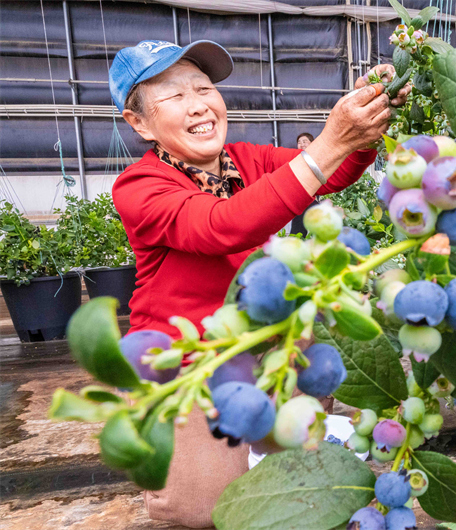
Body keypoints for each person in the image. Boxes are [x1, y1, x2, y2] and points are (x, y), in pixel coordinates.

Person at [108, 39, 410, 528]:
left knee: (297, 463)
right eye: (174, 96)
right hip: (190, 359)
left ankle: (282, 420)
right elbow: (225, 225)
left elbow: (330, 174)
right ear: (139, 123)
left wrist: (365, 128)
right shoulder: (139, 187)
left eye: (203, 88)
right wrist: (332, 141)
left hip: (259, 338)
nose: (198, 105)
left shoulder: (245, 160)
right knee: (205, 509)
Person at [290, 132, 317, 235]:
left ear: (312, 143)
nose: (302, 144)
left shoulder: (318, 158)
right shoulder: (295, 159)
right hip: (300, 195)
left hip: (312, 195)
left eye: (305, 141)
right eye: (299, 142)